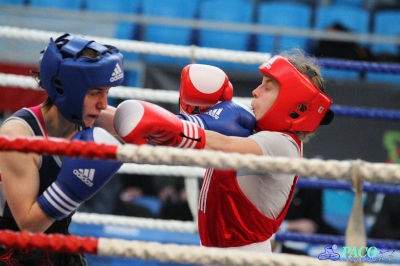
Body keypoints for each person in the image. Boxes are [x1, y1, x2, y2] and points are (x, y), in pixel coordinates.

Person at [113, 48, 334, 253]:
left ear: (294, 104)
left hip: (244, 257)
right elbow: (194, 145)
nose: (255, 92)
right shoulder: (251, 130)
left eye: (267, 86)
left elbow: (221, 144)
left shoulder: (282, 145)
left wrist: (178, 124)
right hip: (218, 252)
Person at [0, 33, 125, 265]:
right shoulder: (19, 135)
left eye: (106, 92)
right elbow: (28, 225)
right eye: (95, 93)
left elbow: (150, 131)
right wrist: (71, 190)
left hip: (60, 246)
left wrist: (194, 126)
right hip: (12, 250)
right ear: (67, 90)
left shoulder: (89, 114)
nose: (104, 104)